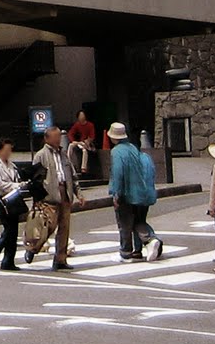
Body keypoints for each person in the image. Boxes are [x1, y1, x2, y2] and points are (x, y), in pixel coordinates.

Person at [106, 122, 162, 261]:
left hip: (127, 192)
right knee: (138, 219)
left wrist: (116, 193)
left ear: (114, 137)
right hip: (141, 191)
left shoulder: (117, 151)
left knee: (124, 222)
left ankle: (127, 252)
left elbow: (118, 173)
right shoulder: (133, 148)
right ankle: (138, 250)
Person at [32, 125, 82, 269]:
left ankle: (60, 259)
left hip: (64, 191)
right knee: (48, 227)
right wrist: (38, 198)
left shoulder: (64, 154)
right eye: (56, 137)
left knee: (64, 228)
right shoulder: (41, 155)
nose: (59, 139)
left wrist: (78, 193)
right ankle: (34, 248)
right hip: (49, 195)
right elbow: (36, 179)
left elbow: (72, 175)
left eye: (59, 136)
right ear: (47, 139)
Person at [0, 138, 26, 270]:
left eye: (10, 150)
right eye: (6, 150)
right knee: (9, 229)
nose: (8, 152)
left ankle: (8, 261)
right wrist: (16, 185)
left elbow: (18, 179)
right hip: (1, 200)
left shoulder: (12, 165)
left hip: (13, 200)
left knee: (13, 230)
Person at [67, 109, 96, 176]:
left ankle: (83, 168)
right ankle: (68, 162)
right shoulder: (77, 125)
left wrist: (88, 141)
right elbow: (70, 133)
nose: (81, 117)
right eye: (80, 116)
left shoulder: (90, 125)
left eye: (82, 115)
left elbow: (92, 136)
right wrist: (73, 140)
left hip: (87, 144)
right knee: (71, 145)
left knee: (84, 150)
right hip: (79, 142)